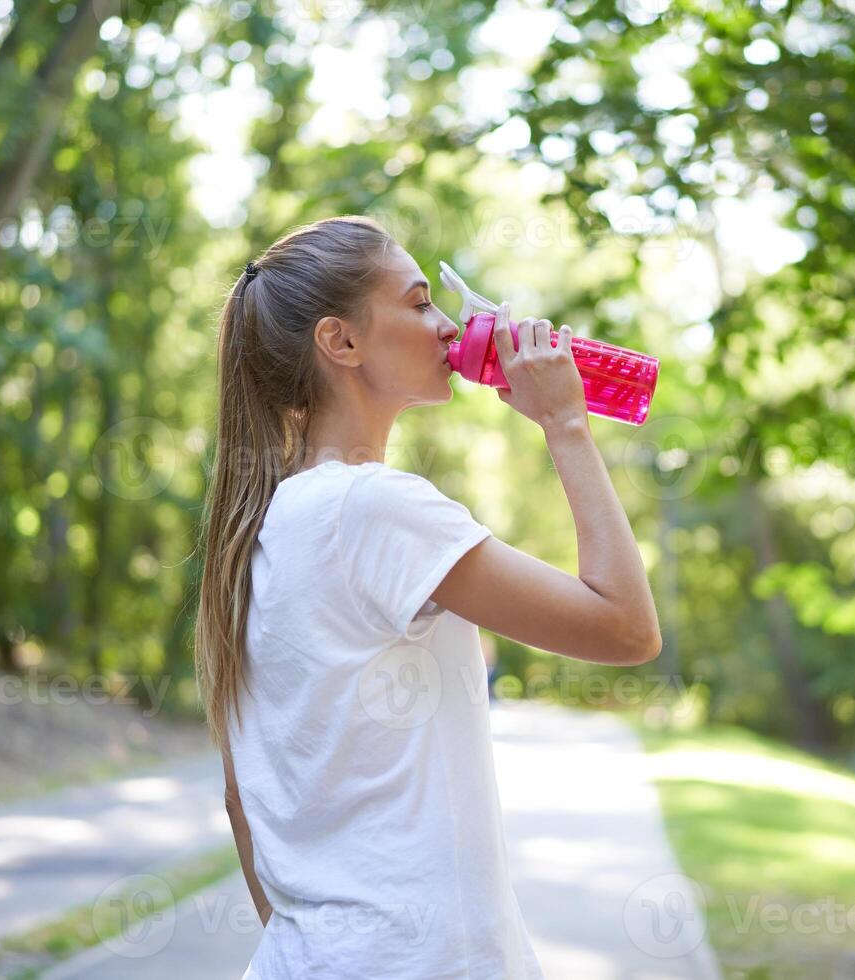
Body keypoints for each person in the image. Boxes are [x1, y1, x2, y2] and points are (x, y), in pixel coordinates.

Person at [194, 215, 660, 979]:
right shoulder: (372, 508)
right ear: (340, 342)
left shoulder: (267, 520)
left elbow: (241, 798)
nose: (449, 327)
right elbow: (626, 629)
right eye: (418, 304)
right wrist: (566, 422)